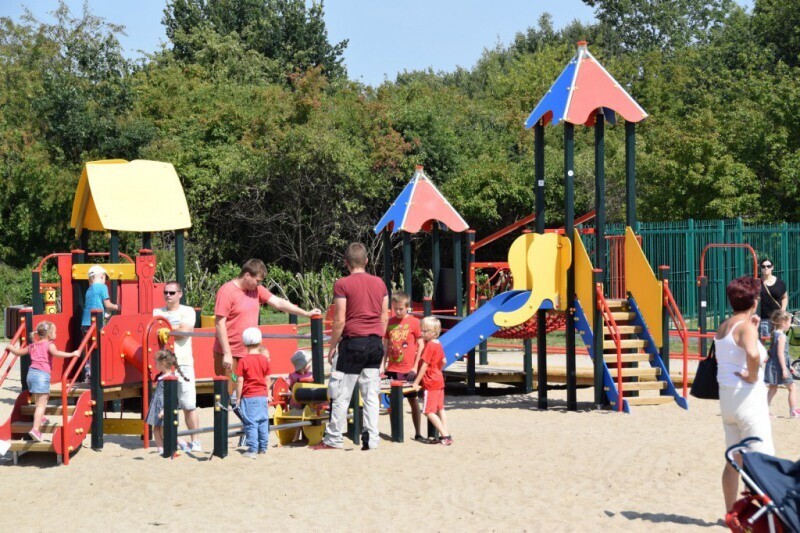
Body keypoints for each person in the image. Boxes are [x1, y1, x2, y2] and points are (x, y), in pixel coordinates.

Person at [311, 243, 388, 451]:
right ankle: (372, 439)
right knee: (371, 395)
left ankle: (333, 438)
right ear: (366, 261)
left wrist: (332, 347)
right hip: (375, 343)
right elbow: (384, 316)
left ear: (346, 263)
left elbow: (339, 320)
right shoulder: (380, 283)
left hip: (353, 343)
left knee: (341, 393)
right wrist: (378, 338)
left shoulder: (342, 284)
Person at [213, 259, 320, 394]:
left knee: (251, 392)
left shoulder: (257, 290)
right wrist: (227, 353)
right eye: (257, 281)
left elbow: (278, 303)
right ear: (247, 275)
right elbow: (219, 323)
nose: (259, 284)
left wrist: (306, 313)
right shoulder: (226, 291)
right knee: (229, 394)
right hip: (230, 353)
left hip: (250, 353)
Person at [716, 276, 773, 518]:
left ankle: (731, 514)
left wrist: (753, 329)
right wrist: (752, 374)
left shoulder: (725, 326)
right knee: (762, 461)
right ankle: (761, 517)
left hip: (728, 399)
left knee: (734, 460)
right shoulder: (745, 328)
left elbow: (737, 351)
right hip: (748, 400)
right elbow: (753, 354)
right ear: (755, 300)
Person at [6, 321, 79, 442]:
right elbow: (57, 354)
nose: (56, 334)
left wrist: (11, 348)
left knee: (43, 397)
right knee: (41, 404)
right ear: (49, 334)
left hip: (31, 375)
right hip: (42, 376)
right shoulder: (50, 345)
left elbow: (18, 352)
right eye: (55, 332)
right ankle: (35, 429)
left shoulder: (32, 345)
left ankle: (41, 417)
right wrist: (72, 354)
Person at [153, 281, 202, 452]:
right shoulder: (157, 312)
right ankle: (169, 441)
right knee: (161, 407)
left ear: (180, 294)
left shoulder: (187, 311)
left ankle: (195, 441)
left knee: (189, 405)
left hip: (183, 363)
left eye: (172, 292)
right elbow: (152, 331)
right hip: (163, 366)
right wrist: (172, 329)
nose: (168, 295)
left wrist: (166, 330)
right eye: (166, 292)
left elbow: (184, 332)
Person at [383, 291, 425, 441]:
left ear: (407, 307)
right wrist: (383, 365)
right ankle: (395, 432)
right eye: (395, 308)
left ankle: (418, 432)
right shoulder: (390, 322)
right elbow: (386, 345)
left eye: (401, 308)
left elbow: (420, 345)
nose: (398, 311)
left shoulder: (414, 322)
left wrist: (415, 366)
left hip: (408, 369)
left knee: (413, 400)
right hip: (392, 369)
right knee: (393, 403)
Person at [411, 317, 453, 446]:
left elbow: (424, 365)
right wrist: (437, 370)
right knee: (440, 408)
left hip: (431, 382)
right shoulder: (438, 343)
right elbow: (444, 361)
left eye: (425, 331)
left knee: (428, 411)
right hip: (438, 379)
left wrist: (416, 382)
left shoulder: (429, 345)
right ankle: (445, 433)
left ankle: (445, 435)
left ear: (434, 332)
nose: (422, 333)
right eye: (422, 330)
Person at [233, 327, 271, 459]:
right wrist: (267, 393)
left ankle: (252, 449)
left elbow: (239, 380)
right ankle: (263, 447)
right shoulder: (264, 360)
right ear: (260, 341)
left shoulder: (243, 361)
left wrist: (238, 397)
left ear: (244, 343)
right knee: (263, 421)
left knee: (251, 423)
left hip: (249, 396)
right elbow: (267, 378)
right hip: (262, 396)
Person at [144, 349, 190, 455]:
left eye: (156, 363)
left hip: (164, 407)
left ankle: (182, 443)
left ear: (163, 363)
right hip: (156, 406)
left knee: (166, 430)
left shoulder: (170, 378)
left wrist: (164, 409)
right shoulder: (161, 376)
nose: (155, 365)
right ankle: (160, 448)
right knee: (156, 428)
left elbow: (171, 397)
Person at [82, 265, 119, 381]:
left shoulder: (89, 290)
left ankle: (89, 372)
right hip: (96, 322)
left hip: (85, 323)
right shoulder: (102, 287)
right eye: (105, 278)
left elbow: (94, 304)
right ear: (102, 276)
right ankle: (98, 374)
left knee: (90, 349)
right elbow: (107, 305)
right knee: (99, 348)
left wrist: (106, 315)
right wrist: (119, 307)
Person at [764, 310, 800, 418]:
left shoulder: (774, 334)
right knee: (792, 387)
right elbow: (780, 353)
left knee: (773, 389)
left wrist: (789, 366)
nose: (790, 324)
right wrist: (785, 369)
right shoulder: (782, 337)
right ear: (783, 323)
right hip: (780, 366)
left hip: (774, 366)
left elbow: (776, 353)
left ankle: (763, 411)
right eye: (790, 322)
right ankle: (794, 411)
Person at [758, 259, 787, 338]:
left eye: (768, 266)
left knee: (778, 340)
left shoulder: (780, 283)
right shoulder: (757, 282)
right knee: (763, 341)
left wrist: (782, 311)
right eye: (763, 266)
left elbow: (785, 297)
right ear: (760, 268)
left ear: (772, 267)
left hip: (778, 318)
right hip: (763, 318)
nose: (766, 268)